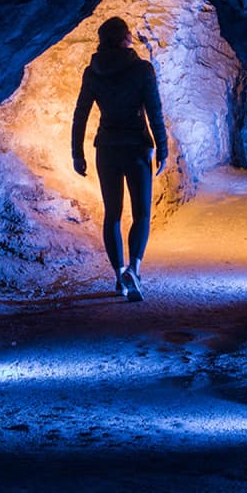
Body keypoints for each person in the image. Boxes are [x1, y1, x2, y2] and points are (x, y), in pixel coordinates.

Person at [71, 17, 169, 302]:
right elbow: (155, 111)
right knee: (141, 213)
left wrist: (77, 152)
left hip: (107, 148)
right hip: (137, 148)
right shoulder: (142, 70)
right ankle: (134, 270)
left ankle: (119, 276)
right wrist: (162, 149)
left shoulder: (93, 72)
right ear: (126, 38)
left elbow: (81, 114)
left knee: (112, 214)